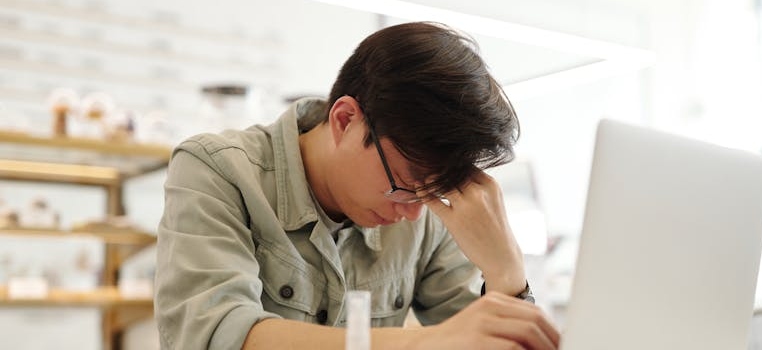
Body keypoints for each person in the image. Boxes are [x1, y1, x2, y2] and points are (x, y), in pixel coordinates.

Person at [154, 21, 560, 350]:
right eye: (404, 182)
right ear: (345, 120)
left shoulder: (422, 207)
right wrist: (425, 342)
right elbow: (216, 335)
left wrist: (507, 274)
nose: (413, 211)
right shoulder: (216, 169)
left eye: (429, 192)